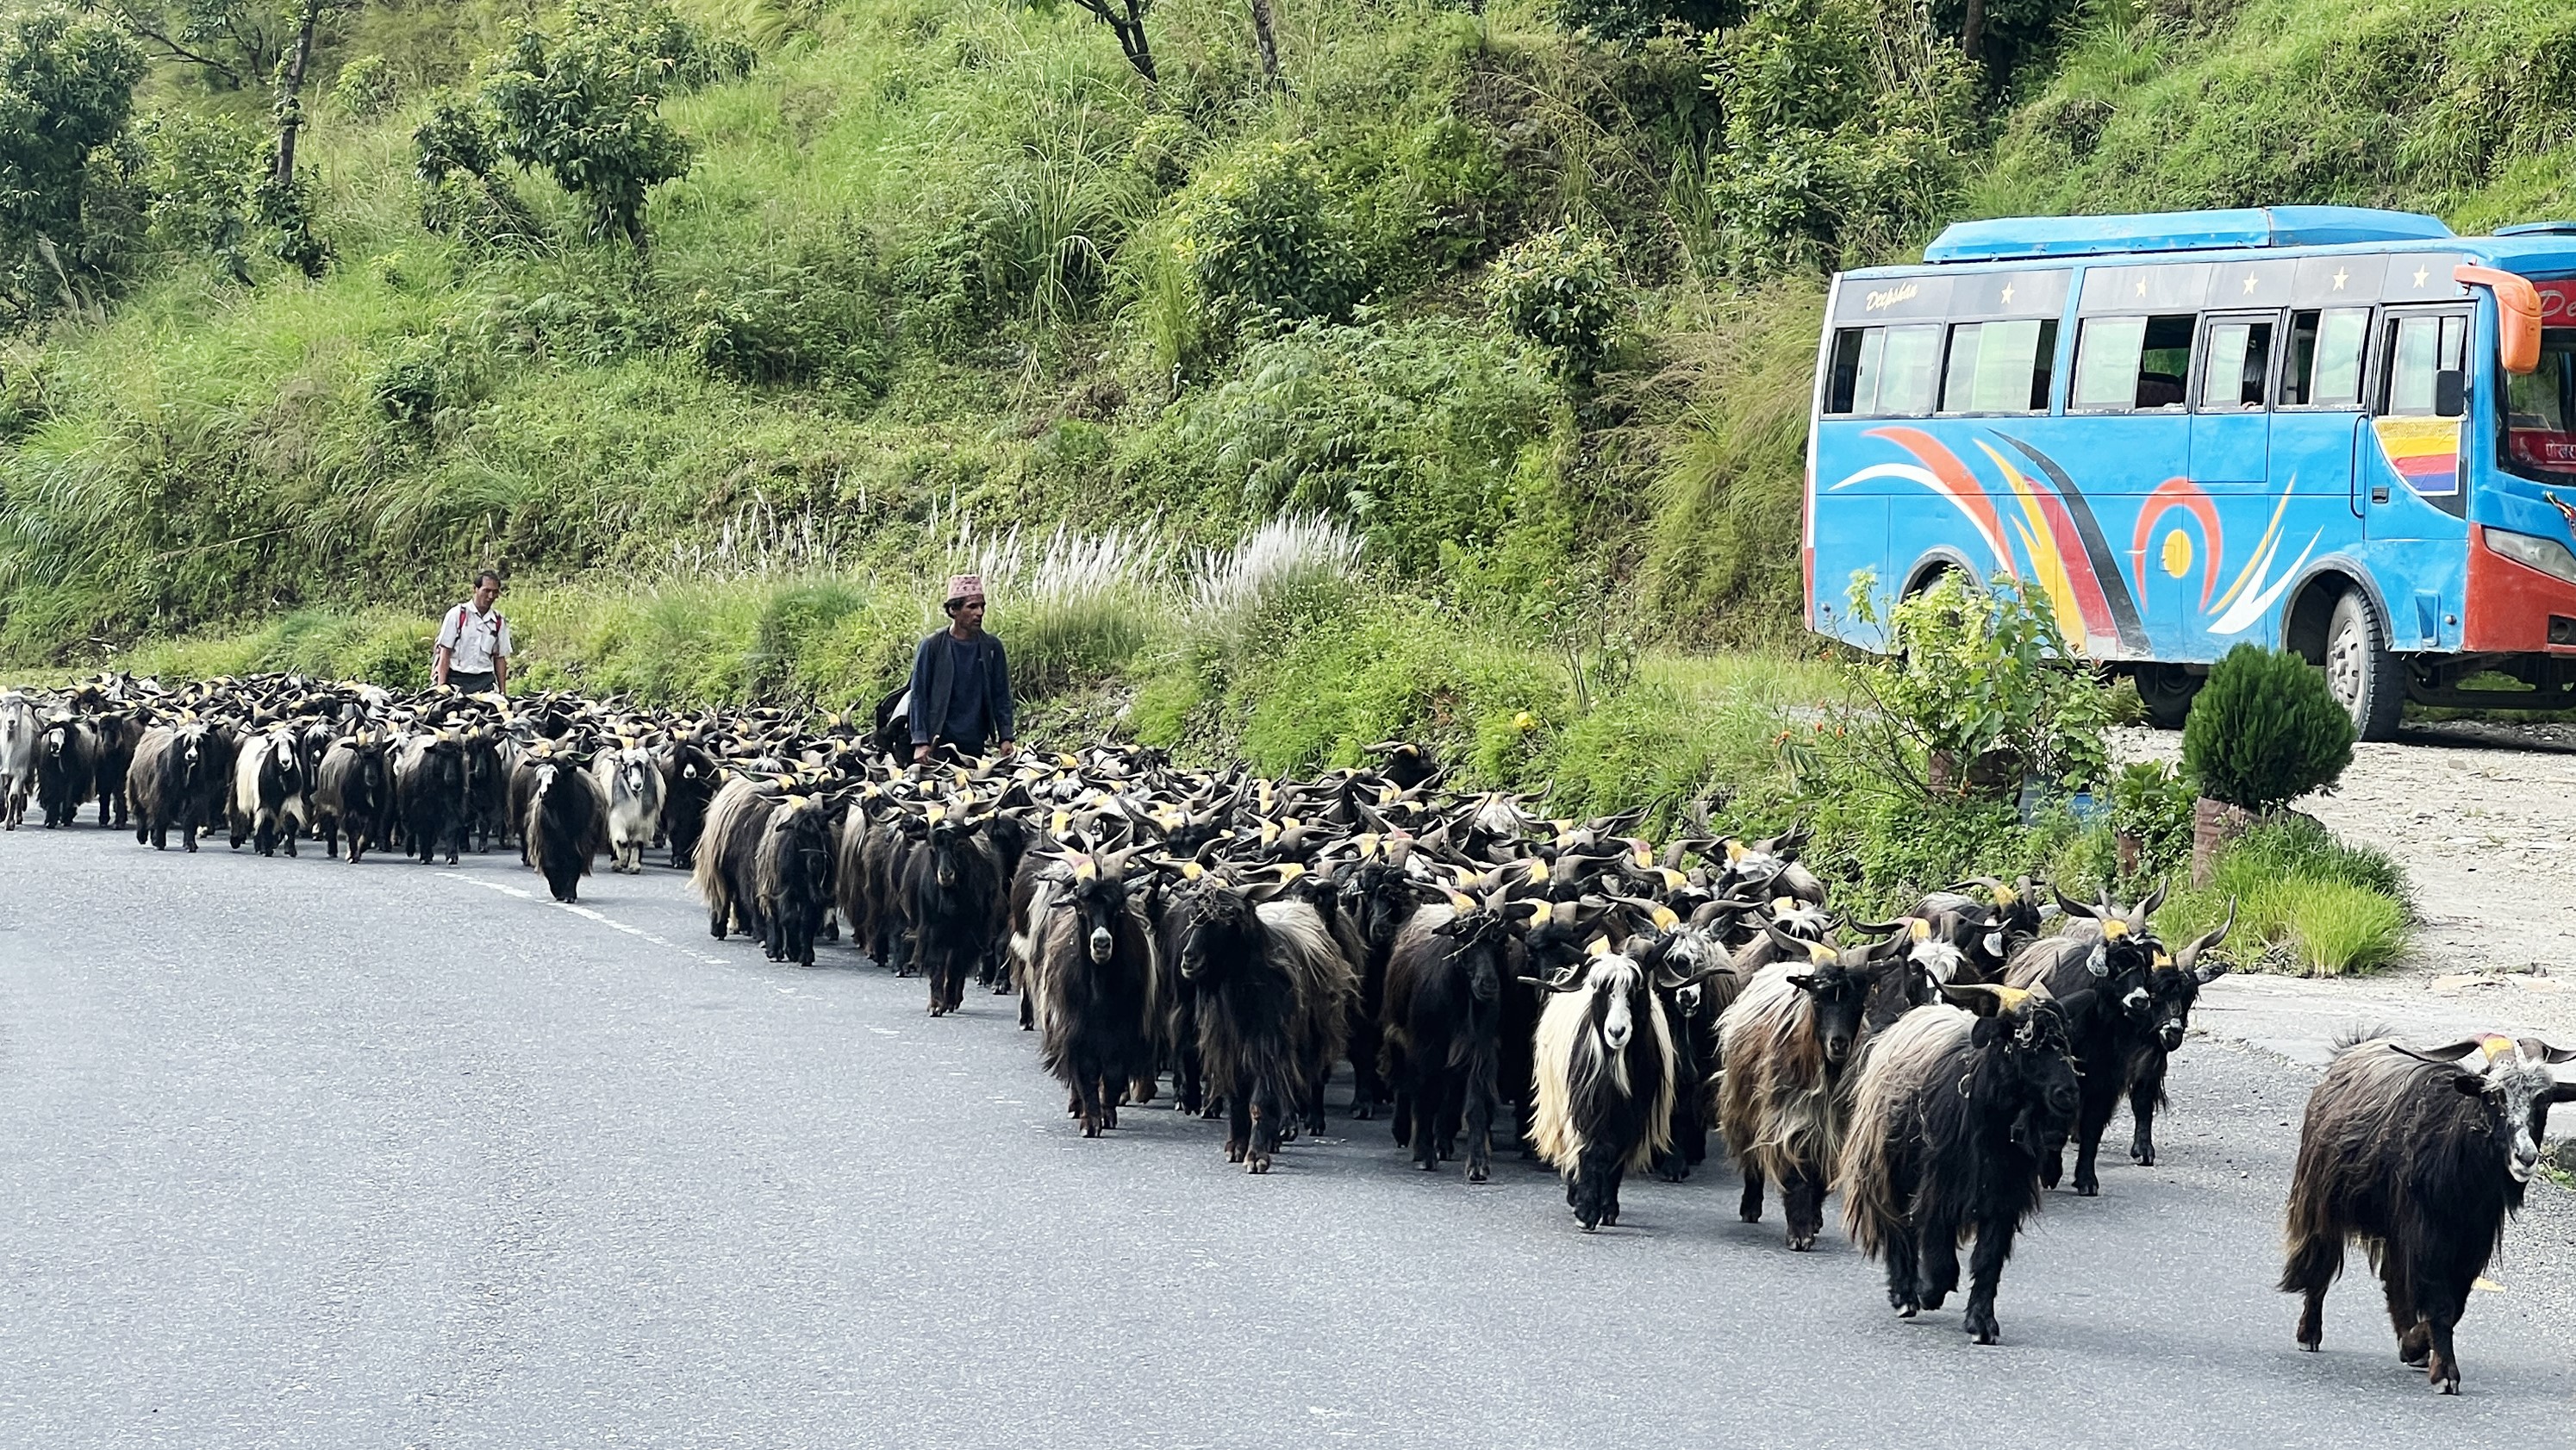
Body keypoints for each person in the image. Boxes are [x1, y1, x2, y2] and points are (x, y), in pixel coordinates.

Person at [907, 574, 1014, 762]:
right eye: (972, 607)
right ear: (953, 610)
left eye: (982, 606)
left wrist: (1005, 737)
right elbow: (918, 695)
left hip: (974, 744)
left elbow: (1001, 695)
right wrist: (920, 741)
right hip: (938, 744)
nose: (979, 612)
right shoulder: (933, 646)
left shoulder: (991, 647)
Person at [433, 570, 513, 696]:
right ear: (475, 589)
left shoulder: (498, 622)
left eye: (495, 592)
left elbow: (500, 658)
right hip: (456, 680)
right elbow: (445, 652)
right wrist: (441, 687)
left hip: (485, 681)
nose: (491, 596)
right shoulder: (456, 615)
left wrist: (503, 692)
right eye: (486, 591)